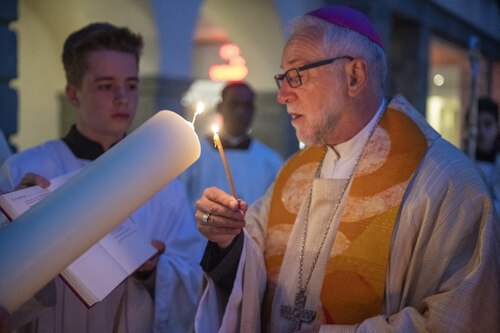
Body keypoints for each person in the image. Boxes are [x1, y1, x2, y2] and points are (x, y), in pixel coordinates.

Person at [193, 5, 500, 333]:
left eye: (297, 74)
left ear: (354, 76)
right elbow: (250, 265)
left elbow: (461, 319)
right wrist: (227, 242)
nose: (282, 95)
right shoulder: (294, 172)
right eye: (282, 77)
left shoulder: (448, 183)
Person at [0, 23, 204, 333]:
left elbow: (192, 279)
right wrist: (15, 226)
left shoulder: (166, 186)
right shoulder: (27, 169)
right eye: (106, 85)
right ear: (73, 93)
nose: (123, 98)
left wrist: (153, 271)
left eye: (132, 85)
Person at [180, 82, 283, 206]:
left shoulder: (270, 161)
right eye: (234, 104)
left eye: (247, 105)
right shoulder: (193, 154)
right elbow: (180, 201)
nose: (240, 111)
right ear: (220, 107)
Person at [475, 97, 500, 213]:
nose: (481, 131)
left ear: (497, 127)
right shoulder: (459, 161)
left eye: (488, 124)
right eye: (476, 124)